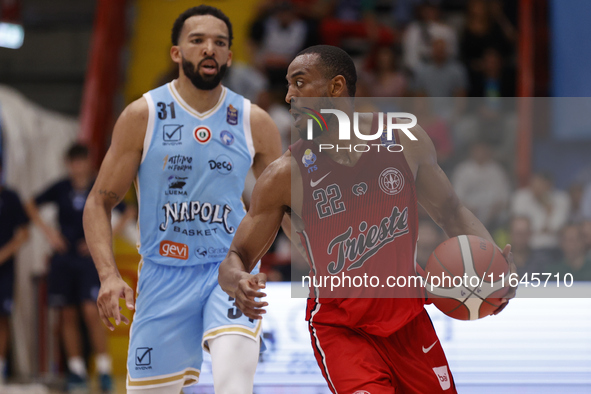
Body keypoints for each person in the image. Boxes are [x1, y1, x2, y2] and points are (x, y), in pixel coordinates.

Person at [219, 45, 515, 393]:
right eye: (288, 85)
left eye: (299, 83)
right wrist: (237, 279)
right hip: (342, 327)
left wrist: (494, 268)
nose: (288, 96)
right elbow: (236, 255)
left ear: (336, 87)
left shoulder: (404, 140)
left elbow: (451, 212)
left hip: (408, 319)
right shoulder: (285, 175)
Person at [82, 6, 281, 394]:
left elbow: (285, 204)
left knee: (234, 384)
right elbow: (98, 202)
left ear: (229, 55)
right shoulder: (144, 115)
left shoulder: (254, 120)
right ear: (177, 53)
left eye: (220, 43)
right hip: (162, 275)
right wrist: (108, 275)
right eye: (198, 40)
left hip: (230, 269)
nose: (209, 48)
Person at [25, 144, 131, 393]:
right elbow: (30, 203)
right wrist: (50, 233)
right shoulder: (61, 187)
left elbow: (128, 211)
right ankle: (76, 371)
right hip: (64, 259)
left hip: (89, 260)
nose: (78, 167)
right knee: (67, 314)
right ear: (68, 164)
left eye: (81, 161)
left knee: (91, 312)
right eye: (73, 162)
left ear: (89, 162)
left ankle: (103, 369)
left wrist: (102, 238)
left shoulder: (100, 186)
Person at [0, 162, 29, 386]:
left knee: (2, 318)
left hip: (5, 270)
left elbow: (24, 233)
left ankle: (1, 368)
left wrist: (4, 253)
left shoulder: (10, 197)